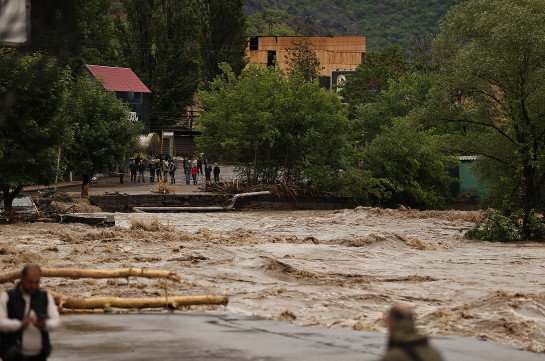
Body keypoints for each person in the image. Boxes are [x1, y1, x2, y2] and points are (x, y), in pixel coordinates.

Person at [0, 265, 60, 361]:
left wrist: (45, 324)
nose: (33, 286)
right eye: (30, 282)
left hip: (40, 356)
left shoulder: (45, 297)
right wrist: (20, 324)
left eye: (37, 282)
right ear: (22, 279)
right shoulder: (7, 297)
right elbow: (1, 323)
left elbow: (56, 321)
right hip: (13, 355)